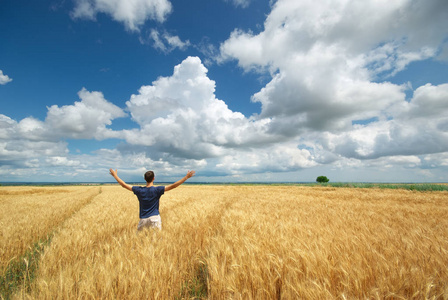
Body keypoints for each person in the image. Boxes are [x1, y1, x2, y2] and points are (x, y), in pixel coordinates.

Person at [109, 169, 196, 231]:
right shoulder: (157, 190)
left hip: (143, 219)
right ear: (154, 178)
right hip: (155, 218)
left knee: (140, 242)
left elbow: (124, 185)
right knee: (157, 241)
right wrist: (186, 177)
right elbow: (173, 185)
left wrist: (115, 176)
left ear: (144, 179)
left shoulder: (139, 190)